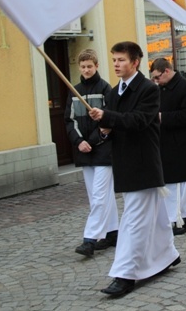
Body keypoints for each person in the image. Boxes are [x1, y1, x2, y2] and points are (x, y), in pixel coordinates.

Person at [89, 41, 180, 298]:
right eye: (114, 60)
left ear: (135, 62)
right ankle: (167, 255)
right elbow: (111, 128)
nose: (116, 64)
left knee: (133, 222)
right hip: (124, 163)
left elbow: (138, 121)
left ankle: (125, 275)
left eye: (121, 60)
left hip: (143, 165)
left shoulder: (149, 89)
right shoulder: (113, 91)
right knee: (157, 217)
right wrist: (104, 129)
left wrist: (108, 119)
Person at [64, 49, 119, 257]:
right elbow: (70, 121)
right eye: (83, 66)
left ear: (96, 66)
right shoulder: (74, 91)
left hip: (103, 150)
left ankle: (90, 239)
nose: (86, 70)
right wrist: (79, 142)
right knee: (97, 195)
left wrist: (92, 141)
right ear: (79, 67)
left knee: (99, 195)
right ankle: (113, 232)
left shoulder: (106, 89)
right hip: (84, 152)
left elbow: (108, 121)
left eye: (90, 66)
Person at [149, 58, 186, 235]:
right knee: (169, 184)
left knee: (181, 185)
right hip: (163, 142)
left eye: (157, 77)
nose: (156, 81)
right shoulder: (158, 89)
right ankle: (171, 217)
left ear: (166, 71)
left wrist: (162, 117)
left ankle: (183, 219)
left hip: (180, 143)